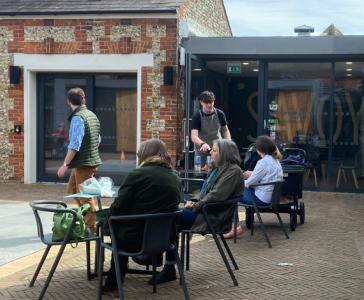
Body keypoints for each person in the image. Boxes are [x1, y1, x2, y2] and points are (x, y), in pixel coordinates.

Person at [151, 139, 244, 285]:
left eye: (214, 150)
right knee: (173, 222)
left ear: (224, 153)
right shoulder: (216, 169)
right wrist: (193, 200)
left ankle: (158, 258)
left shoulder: (233, 171)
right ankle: (166, 265)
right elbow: (204, 192)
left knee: (172, 216)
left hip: (213, 216)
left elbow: (217, 195)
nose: (211, 153)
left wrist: (195, 206)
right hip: (205, 210)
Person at [101, 139, 182, 297]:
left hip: (133, 241)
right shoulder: (176, 178)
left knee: (116, 229)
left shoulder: (136, 175)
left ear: (145, 155)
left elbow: (118, 208)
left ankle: (113, 284)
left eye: (139, 154)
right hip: (165, 241)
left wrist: (105, 225)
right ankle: (143, 262)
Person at [57, 88, 102, 234]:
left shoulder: (78, 118)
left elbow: (74, 144)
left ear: (68, 102)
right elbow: (98, 140)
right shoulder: (92, 115)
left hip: (84, 163)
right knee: (73, 190)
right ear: (84, 101)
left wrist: (64, 165)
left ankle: (92, 227)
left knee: (85, 196)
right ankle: (85, 219)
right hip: (86, 162)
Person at [224, 135, 283, 239]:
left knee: (231, 192)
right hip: (271, 198)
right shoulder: (276, 161)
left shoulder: (263, 162)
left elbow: (249, 184)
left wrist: (242, 178)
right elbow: (265, 178)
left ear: (259, 149)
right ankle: (233, 226)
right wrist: (252, 174)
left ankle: (234, 227)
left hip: (260, 199)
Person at [191, 90, 231, 169]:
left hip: (218, 149)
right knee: (202, 174)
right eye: (206, 103)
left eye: (211, 102)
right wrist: (202, 143)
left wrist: (228, 143)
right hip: (202, 150)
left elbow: (225, 130)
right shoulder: (197, 117)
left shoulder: (220, 114)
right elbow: (193, 137)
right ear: (201, 102)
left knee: (218, 171)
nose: (209, 105)